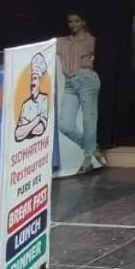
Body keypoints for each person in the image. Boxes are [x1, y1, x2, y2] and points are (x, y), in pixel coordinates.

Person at [57, 11, 105, 172]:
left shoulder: (91, 40)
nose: (73, 25)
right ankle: (92, 148)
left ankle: (87, 160)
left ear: (83, 22)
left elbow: (99, 59)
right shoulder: (61, 41)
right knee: (65, 125)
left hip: (87, 80)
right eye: (70, 21)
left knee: (88, 121)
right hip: (70, 83)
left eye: (77, 21)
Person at [15, 52, 51, 142]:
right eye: (31, 79)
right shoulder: (25, 104)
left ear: (40, 82)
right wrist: (37, 119)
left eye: (35, 79)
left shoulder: (44, 99)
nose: (32, 83)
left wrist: (26, 125)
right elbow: (17, 134)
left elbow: (40, 130)